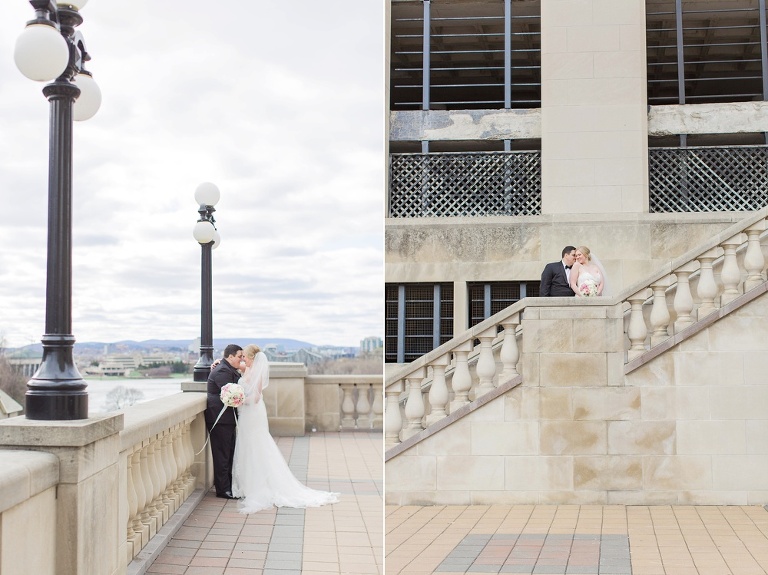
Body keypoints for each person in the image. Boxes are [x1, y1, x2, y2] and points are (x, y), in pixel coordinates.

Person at [232, 344, 340, 514]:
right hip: (245, 414)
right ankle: (247, 484)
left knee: (256, 444)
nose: (243, 358)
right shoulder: (246, 369)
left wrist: (241, 400)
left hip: (252, 411)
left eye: (245, 356)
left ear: (252, 357)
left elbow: (257, 396)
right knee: (247, 445)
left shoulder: (256, 372)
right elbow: (233, 367)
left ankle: (258, 485)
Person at [205, 344, 245, 499]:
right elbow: (231, 393)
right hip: (220, 419)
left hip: (227, 420)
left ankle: (227, 486)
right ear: (230, 357)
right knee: (222, 455)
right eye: (239, 356)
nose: (241, 359)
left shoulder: (227, 369)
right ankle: (223, 490)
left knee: (228, 453)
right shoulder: (222, 370)